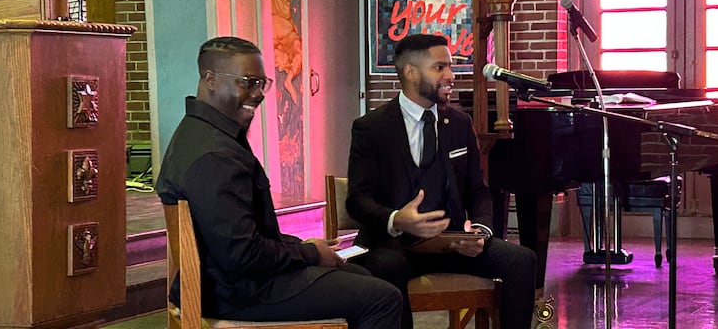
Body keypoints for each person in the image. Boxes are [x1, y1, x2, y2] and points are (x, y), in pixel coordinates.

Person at [156, 37, 402, 328]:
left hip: (228, 281)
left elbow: (243, 234)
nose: (258, 94)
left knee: (360, 278)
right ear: (210, 79)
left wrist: (305, 247)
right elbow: (241, 254)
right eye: (248, 82)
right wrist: (309, 253)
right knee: (382, 298)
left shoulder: (201, 132)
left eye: (263, 83)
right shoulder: (214, 156)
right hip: (235, 291)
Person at [347, 34, 537, 328]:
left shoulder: (460, 123)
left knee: (522, 260)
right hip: (395, 246)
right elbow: (358, 200)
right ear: (411, 72)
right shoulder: (371, 128)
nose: (450, 76)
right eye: (440, 68)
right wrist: (397, 219)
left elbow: (479, 191)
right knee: (386, 266)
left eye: (450, 66)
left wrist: (480, 232)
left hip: (453, 244)